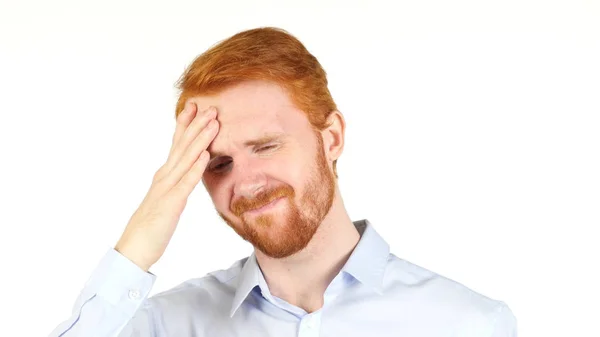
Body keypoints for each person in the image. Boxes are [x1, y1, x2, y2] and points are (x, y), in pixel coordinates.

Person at [49, 27, 517, 337]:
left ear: (330, 137)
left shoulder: (468, 324)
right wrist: (141, 239)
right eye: (217, 164)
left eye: (267, 146)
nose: (246, 182)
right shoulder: (167, 324)